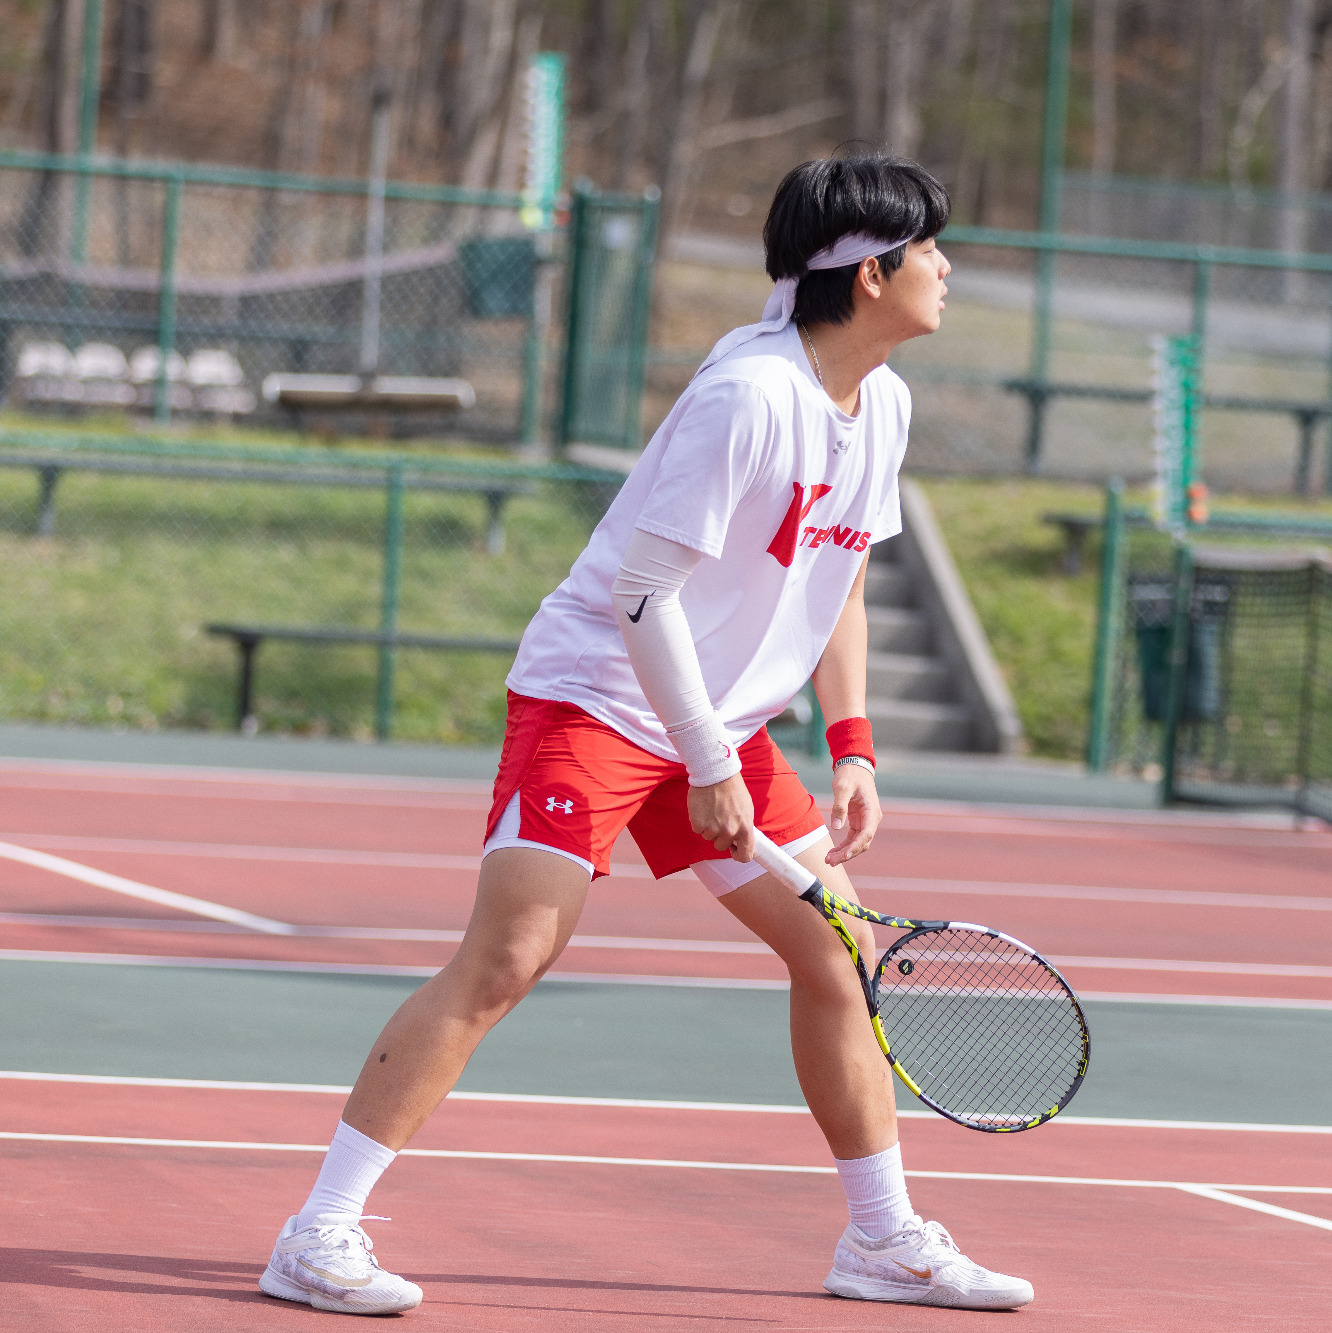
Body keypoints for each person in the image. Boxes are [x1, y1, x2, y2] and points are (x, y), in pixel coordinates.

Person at [257, 153, 1033, 1315]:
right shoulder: (750, 395)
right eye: (927, 250)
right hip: (598, 697)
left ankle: (880, 1240)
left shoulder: (884, 404)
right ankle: (316, 1232)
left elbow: (843, 579)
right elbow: (639, 593)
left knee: (837, 953)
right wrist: (707, 759)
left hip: (712, 717)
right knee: (508, 959)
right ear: (870, 276)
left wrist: (853, 741)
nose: (946, 267)